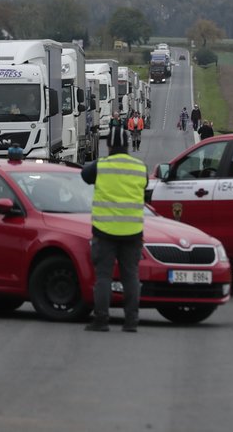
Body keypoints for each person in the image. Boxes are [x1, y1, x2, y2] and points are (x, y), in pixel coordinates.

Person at [80, 125, 148, 332]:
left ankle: (101, 320)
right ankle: (131, 322)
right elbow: (144, 186)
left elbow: (84, 175)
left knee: (103, 277)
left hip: (104, 231)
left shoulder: (100, 166)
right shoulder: (140, 168)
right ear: (127, 144)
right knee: (131, 277)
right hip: (133, 232)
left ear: (108, 145)